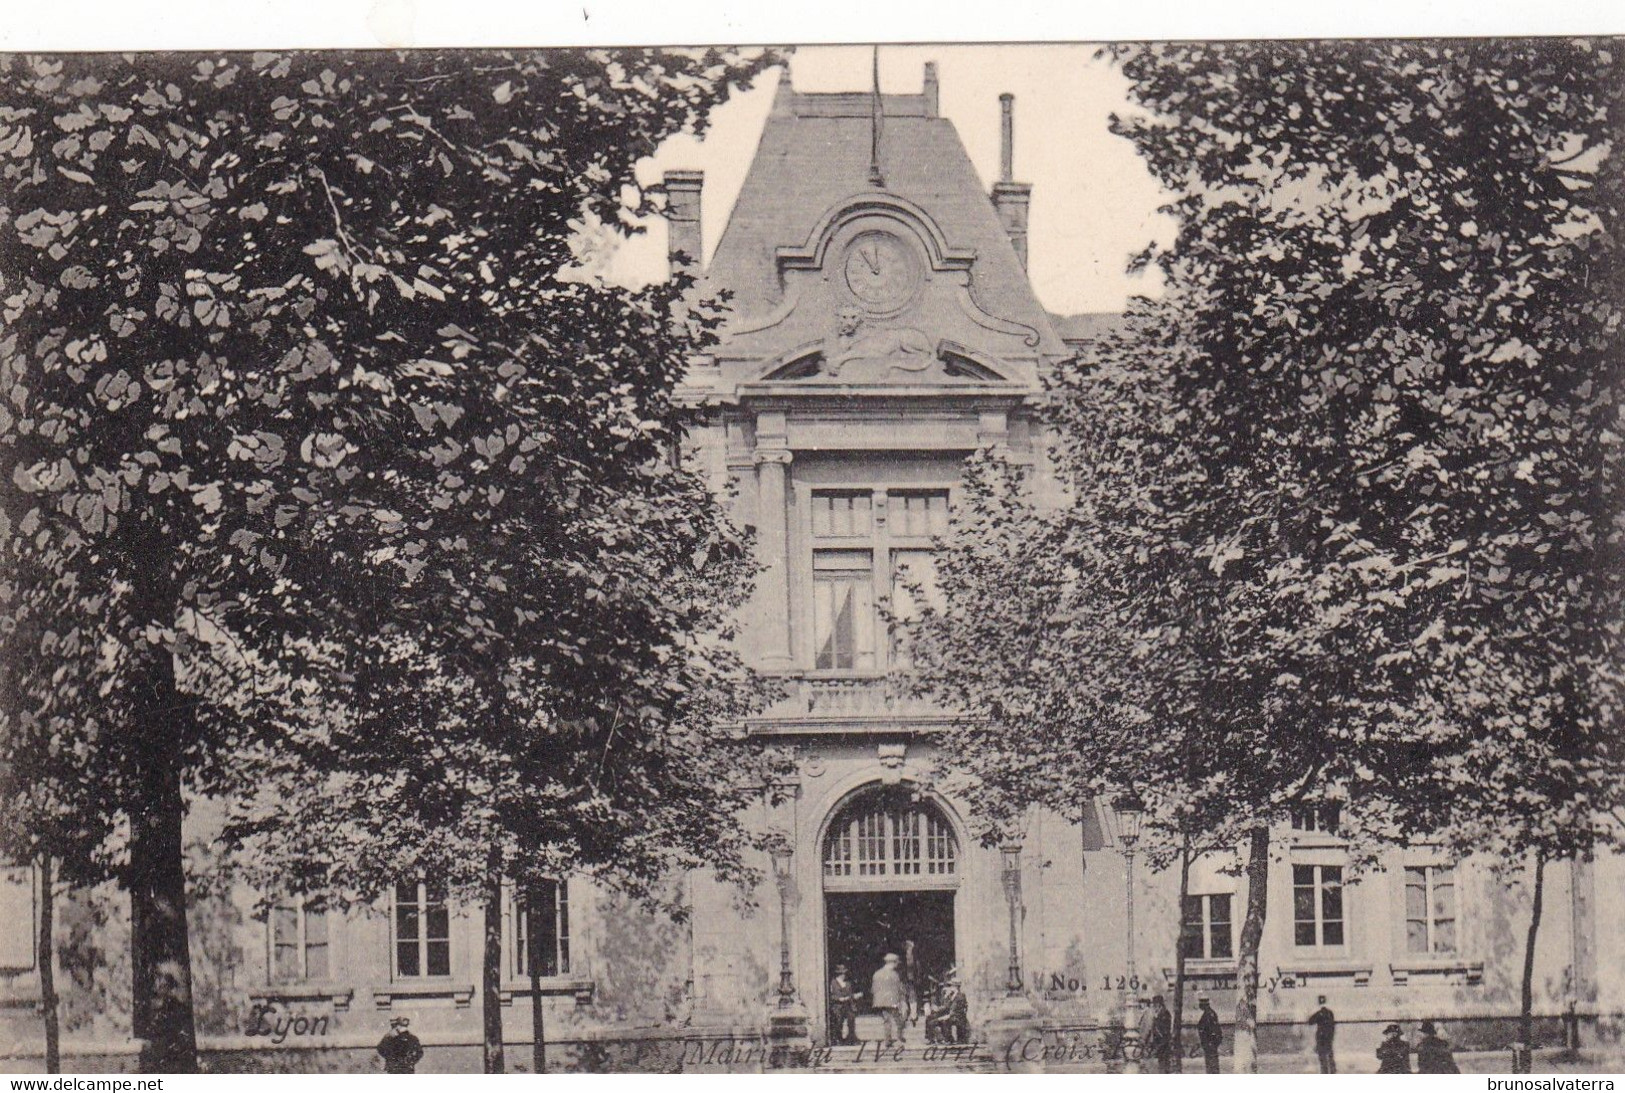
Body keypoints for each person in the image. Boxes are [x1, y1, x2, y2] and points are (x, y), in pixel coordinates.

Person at [925, 973, 970, 1045]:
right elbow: (946, 1006)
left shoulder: (960, 996)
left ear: (956, 987)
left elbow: (955, 1011)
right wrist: (944, 999)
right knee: (930, 1018)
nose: (950, 987)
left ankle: (948, 1039)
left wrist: (944, 1017)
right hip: (951, 1015)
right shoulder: (951, 995)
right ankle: (931, 1039)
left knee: (944, 1021)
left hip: (958, 1017)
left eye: (951, 985)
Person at [871, 953, 906, 1047]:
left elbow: (874, 989)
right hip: (893, 1000)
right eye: (897, 963)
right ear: (893, 962)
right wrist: (902, 1001)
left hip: (881, 1001)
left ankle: (888, 1039)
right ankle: (899, 1037)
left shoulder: (877, 973)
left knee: (887, 1020)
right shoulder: (894, 975)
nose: (897, 965)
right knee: (899, 1019)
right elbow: (899, 989)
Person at [1139, 994, 1173, 1073]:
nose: (1154, 1006)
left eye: (1154, 1004)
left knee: (1164, 1065)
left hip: (1163, 1043)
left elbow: (1164, 1031)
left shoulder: (1165, 1014)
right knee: (1161, 1064)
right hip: (1159, 1043)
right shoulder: (1158, 1014)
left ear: (1158, 1004)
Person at [828, 964, 860, 1045]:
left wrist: (854, 996)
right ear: (839, 974)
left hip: (848, 1005)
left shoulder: (848, 983)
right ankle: (838, 1038)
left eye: (844, 973)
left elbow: (850, 994)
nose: (844, 975)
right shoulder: (833, 983)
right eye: (842, 974)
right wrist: (838, 999)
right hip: (838, 1006)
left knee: (851, 1019)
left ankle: (851, 1038)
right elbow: (831, 995)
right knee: (838, 1022)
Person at [1307, 995, 1337, 1073]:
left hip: (1321, 1038)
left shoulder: (1319, 1013)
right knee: (1330, 1055)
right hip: (1329, 1037)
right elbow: (1333, 1026)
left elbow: (1310, 1021)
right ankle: (1333, 1071)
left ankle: (1325, 1072)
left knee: (1322, 1057)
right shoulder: (1330, 1013)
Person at [1196, 995, 1223, 1074]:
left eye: (1201, 1004)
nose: (1199, 1006)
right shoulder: (1207, 1014)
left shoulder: (1209, 1015)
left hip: (1210, 1045)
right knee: (1210, 1066)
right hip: (1208, 1045)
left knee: (1212, 1067)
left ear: (1204, 1004)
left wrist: (1211, 1044)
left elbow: (1214, 1031)